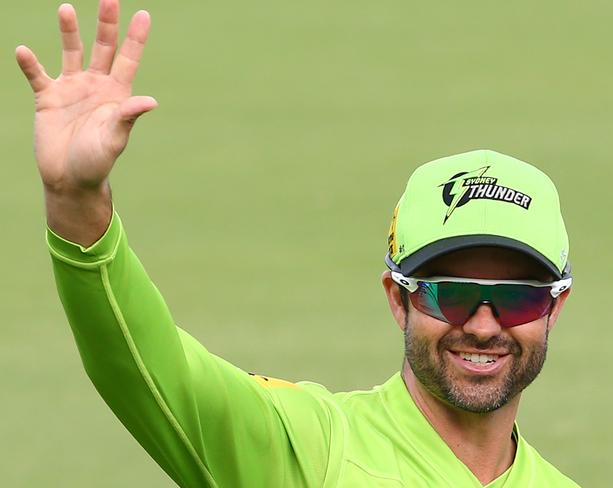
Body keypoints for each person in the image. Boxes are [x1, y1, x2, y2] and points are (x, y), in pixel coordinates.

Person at [17, 0, 580, 486]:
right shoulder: (308, 448)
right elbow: (146, 368)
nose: (483, 325)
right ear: (397, 296)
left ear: (555, 307)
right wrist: (75, 201)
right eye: (449, 293)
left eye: (516, 297)